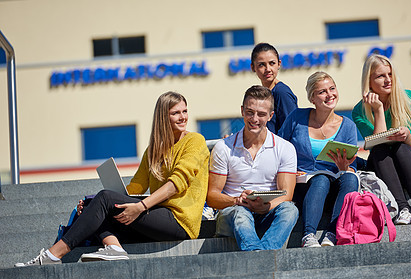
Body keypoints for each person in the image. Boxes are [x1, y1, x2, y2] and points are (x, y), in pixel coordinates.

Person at [15, 91, 210, 267]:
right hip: (157, 216)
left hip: (179, 221)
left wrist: (140, 207)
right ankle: (114, 248)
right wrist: (94, 206)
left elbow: (175, 184)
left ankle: (52, 255)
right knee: (96, 206)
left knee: (106, 199)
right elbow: (135, 187)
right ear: (162, 117)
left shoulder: (195, 141)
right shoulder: (153, 151)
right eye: (176, 113)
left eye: (185, 111)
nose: (183, 117)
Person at [207, 85, 299, 251]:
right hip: (234, 213)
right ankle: (261, 256)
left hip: (268, 212)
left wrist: (267, 206)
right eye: (250, 112)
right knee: (241, 213)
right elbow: (212, 196)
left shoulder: (285, 148)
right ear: (242, 111)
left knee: (290, 210)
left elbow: (287, 194)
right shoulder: (223, 147)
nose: (255, 119)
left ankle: (258, 254)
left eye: (261, 114)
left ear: (271, 116)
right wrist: (237, 201)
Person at [279, 71, 359, 247]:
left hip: (332, 187)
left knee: (350, 177)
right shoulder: (297, 118)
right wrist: (289, 169)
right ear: (312, 98)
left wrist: (343, 167)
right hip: (301, 185)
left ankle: (332, 233)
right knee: (321, 179)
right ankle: (308, 235)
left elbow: (347, 165)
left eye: (332, 88)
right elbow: (278, 147)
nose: (329, 94)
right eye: (322, 91)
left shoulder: (348, 126)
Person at [352, 54, 411, 225]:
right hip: (385, 169)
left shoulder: (409, 98)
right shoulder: (359, 111)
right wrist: (378, 110)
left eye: (390, 74)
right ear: (369, 81)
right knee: (379, 149)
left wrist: (408, 137)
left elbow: (407, 141)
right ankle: (402, 208)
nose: (388, 80)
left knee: (399, 146)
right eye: (381, 76)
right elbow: (377, 142)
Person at [251, 42, 298, 134]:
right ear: (253, 67)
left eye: (272, 63)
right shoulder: (263, 94)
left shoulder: (281, 92)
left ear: (279, 64)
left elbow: (292, 130)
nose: (268, 69)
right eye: (261, 65)